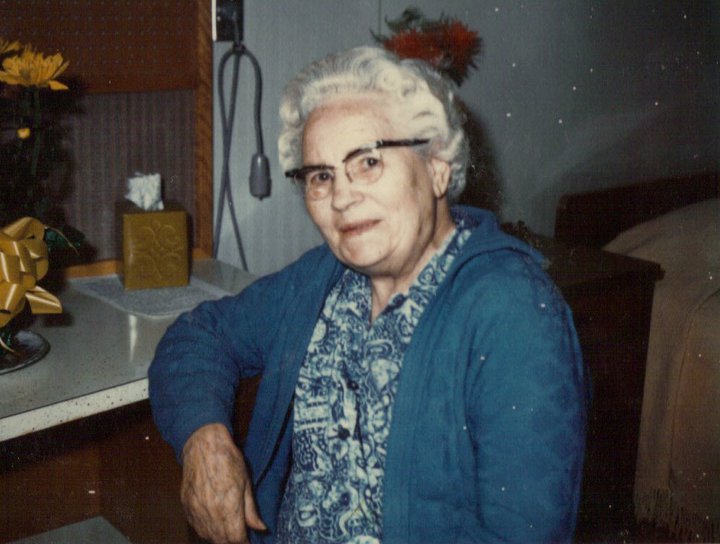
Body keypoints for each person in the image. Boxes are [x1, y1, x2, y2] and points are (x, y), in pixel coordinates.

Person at [149, 46, 588, 544]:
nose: (341, 197)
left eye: (369, 162)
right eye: (321, 176)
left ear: (438, 167)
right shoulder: (323, 278)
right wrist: (204, 440)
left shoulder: (514, 313)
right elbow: (198, 336)